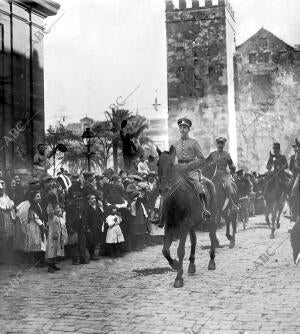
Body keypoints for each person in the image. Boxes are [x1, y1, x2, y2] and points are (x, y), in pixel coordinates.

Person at [172, 117, 214, 219]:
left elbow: (201, 159)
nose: (182, 129)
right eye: (181, 127)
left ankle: (204, 210)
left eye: (185, 127)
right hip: (179, 171)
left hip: (192, 171)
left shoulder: (194, 142)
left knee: (197, 185)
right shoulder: (175, 144)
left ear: (188, 129)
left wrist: (189, 166)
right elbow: (172, 160)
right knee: (168, 187)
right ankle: (162, 214)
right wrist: (175, 166)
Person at [206, 136, 237, 209]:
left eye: (222, 143)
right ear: (216, 144)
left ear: (224, 145)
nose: (220, 145)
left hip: (224, 175)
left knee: (228, 186)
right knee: (205, 186)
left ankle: (232, 204)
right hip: (213, 175)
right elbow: (206, 163)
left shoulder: (227, 154)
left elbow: (231, 165)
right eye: (218, 143)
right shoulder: (212, 154)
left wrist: (233, 170)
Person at [25, 191, 47, 265]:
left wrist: (43, 223)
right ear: (33, 198)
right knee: (36, 242)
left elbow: (40, 215)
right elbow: (35, 217)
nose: (39, 198)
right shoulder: (32, 207)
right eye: (37, 196)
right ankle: (37, 260)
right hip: (35, 226)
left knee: (41, 242)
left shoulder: (39, 205)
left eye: (39, 196)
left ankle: (41, 260)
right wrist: (42, 225)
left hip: (39, 225)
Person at [46, 203, 63, 273]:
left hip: (56, 235)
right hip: (52, 236)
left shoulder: (56, 216)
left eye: (59, 208)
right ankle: (49, 266)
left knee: (55, 250)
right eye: (57, 208)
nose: (58, 209)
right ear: (52, 210)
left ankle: (53, 264)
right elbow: (50, 212)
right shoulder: (51, 216)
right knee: (51, 250)